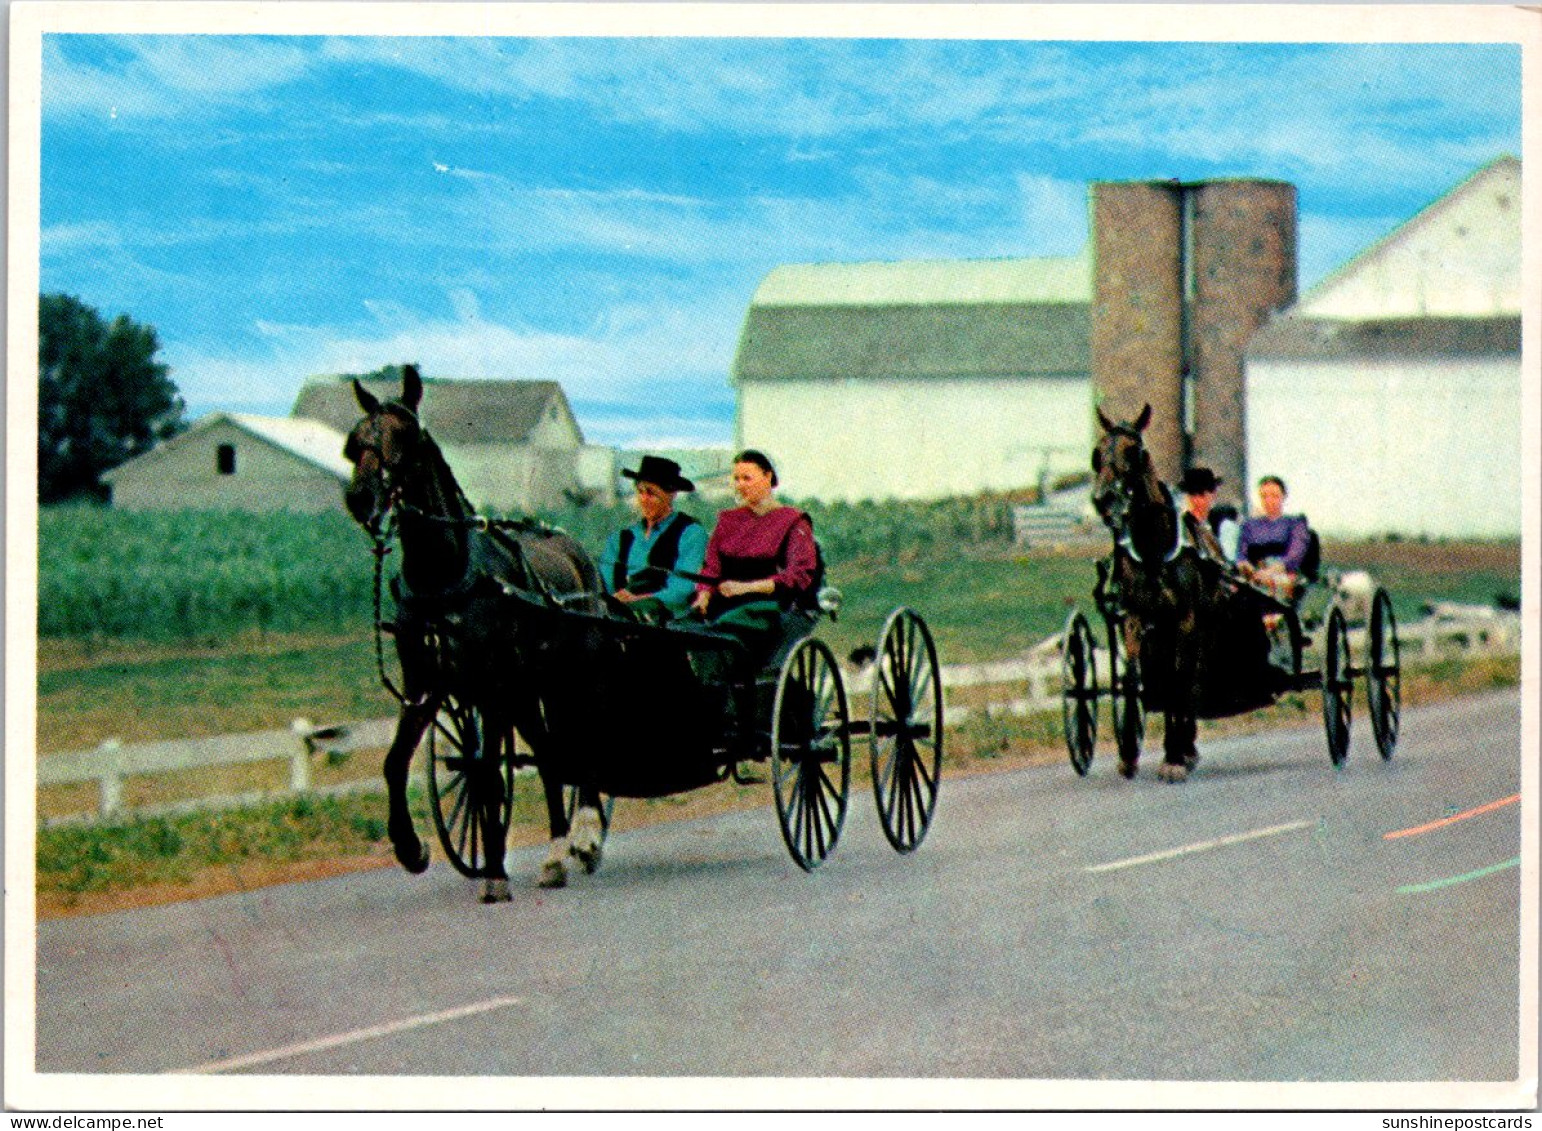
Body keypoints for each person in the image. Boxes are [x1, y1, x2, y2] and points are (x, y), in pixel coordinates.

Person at [689, 449, 819, 667]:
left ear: (767, 477)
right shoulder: (728, 520)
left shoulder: (793, 521)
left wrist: (746, 588)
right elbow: (711, 567)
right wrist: (703, 595)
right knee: (681, 628)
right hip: (722, 604)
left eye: (747, 478)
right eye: (736, 479)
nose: (740, 485)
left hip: (766, 608)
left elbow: (798, 575)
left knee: (721, 632)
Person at [598, 455, 707, 623]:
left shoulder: (691, 534)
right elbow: (604, 581)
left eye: (651, 493)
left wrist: (639, 600)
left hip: (669, 624)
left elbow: (682, 589)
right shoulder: (620, 539)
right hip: (617, 622)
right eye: (640, 492)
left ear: (671, 494)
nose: (643, 499)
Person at [1235, 475, 1312, 600]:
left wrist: (1270, 572)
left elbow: (1295, 554)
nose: (1269, 500)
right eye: (1264, 496)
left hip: (1284, 575)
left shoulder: (1295, 523)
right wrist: (1245, 566)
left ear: (1283, 497)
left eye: (1274, 496)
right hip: (1254, 576)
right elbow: (1241, 554)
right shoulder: (1248, 526)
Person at [1177, 466, 1227, 563]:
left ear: (1213, 495)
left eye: (1201, 495)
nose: (1195, 501)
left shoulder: (1208, 531)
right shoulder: (1182, 527)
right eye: (1191, 494)